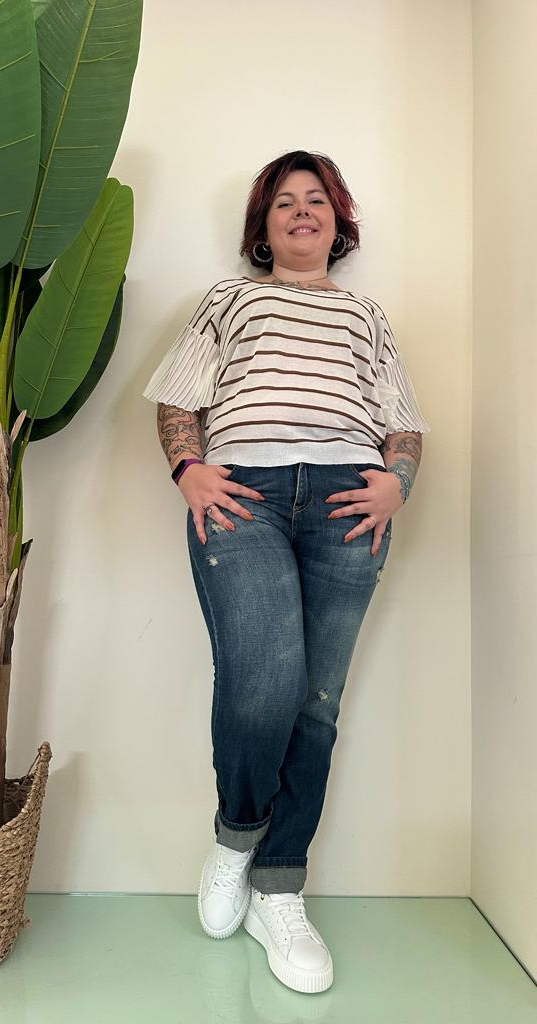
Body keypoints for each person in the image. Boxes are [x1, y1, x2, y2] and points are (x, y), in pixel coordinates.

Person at [142, 150, 430, 994]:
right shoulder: (229, 300)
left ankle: (279, 887)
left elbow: (404, 423)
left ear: (339, 224)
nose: (302, 211)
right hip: (245, 495)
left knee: (317, 702)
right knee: (263, 682)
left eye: (317, 201)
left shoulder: (367, 315)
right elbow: (179, 398)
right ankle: (238, 834)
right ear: (263, 230)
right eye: (284, 203)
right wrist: (187, 469)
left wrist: (398, 483)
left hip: (350, 501)